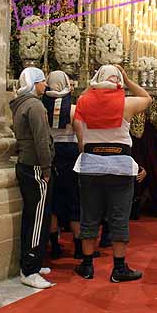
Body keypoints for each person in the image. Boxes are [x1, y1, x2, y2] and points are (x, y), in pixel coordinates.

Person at [72, 64, 151, 282]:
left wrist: (92, 86)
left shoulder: (83, 101)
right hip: (120, 167)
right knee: (119, 216)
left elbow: (80, 126)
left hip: (90, 166)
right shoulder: (126, 103)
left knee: (89, 216)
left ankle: (87, 266)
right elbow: (147, 98)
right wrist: (127, 80)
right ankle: (118, 268)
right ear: (118, 81)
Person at [42, 70, 97, 260]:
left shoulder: (42, 106)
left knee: (54, 201)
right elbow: (81, 139)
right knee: (74, 201)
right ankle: (79, 247)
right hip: (71, 154)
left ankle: (55, 245)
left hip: (52, 154)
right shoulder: (73, 108)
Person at [10, 67, 56, 289]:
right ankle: (30, 269)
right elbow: (41, 140)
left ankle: (32, 262)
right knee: (38, 218)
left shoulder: (20, 103)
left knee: (32, 216)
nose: (45, 85)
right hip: (36, 167)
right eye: (42, 82)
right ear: (35, 83)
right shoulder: (35, 105)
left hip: (26, 164)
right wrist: (46, 169)